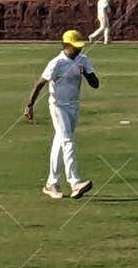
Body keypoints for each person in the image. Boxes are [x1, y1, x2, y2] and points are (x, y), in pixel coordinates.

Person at [25, 29, 100, 200]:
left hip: (73, 106)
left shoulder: (83, 60)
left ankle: (51, 183)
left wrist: (87, 73)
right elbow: (40, 84)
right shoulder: (56, 63)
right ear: (66, 45)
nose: (79, 50)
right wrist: (30, 105)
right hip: (58, 106)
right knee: (68, 141)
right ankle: (75, 183)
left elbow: (95, 83)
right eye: (76, 47)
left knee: (60, 140)